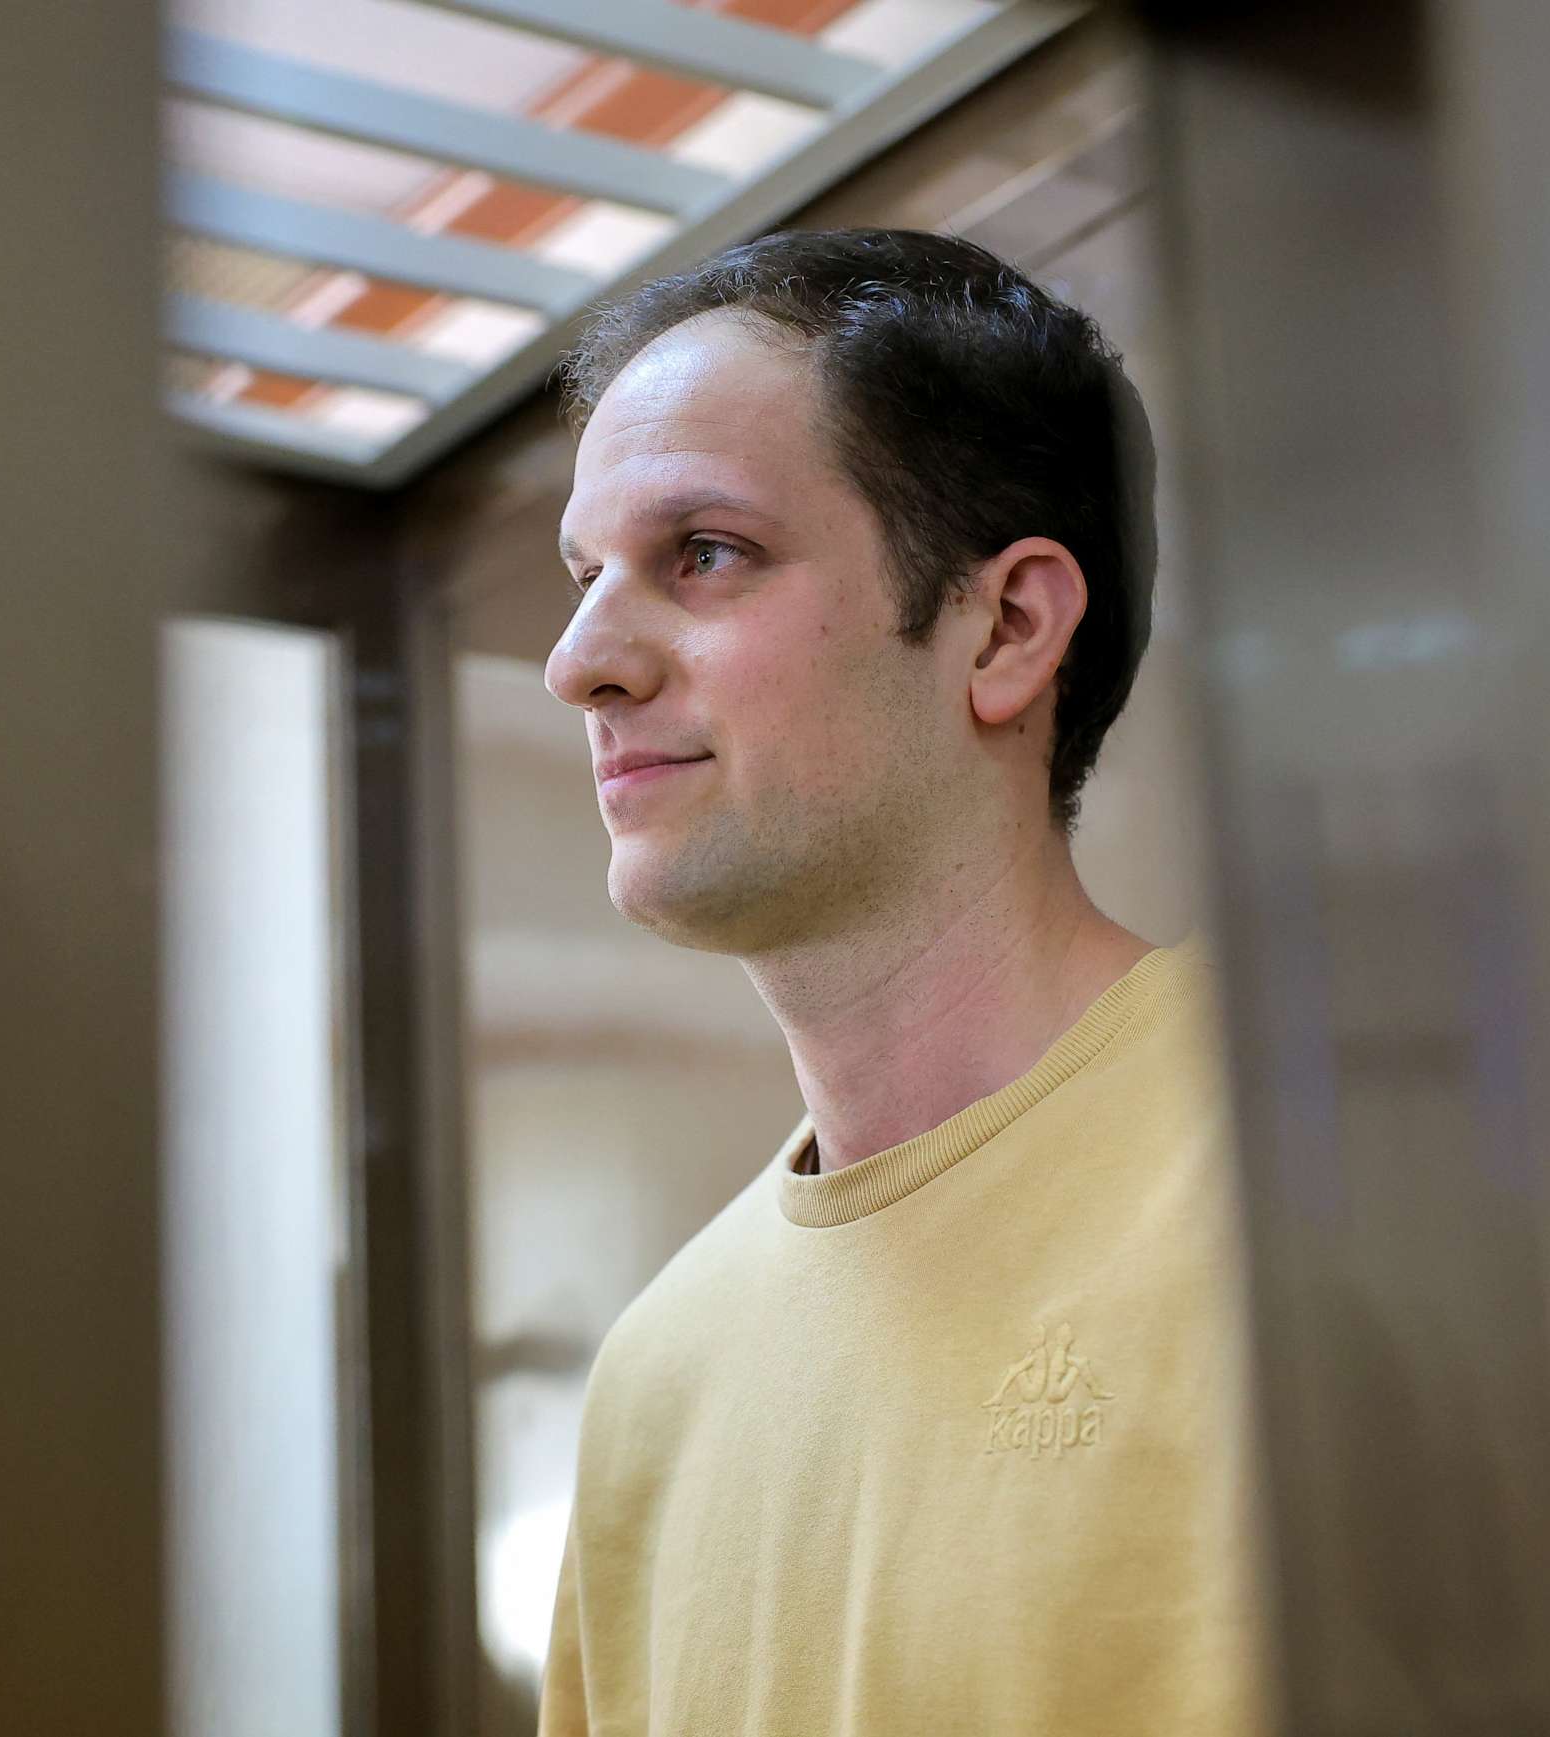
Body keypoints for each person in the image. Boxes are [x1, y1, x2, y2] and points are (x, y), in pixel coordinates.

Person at [538, 228, 1253, 1734]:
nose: (579, 660)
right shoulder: (654, 1385)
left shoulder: (1305, 1184)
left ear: (1005, 627)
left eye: (704, 552)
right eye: (584, 573)